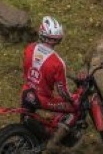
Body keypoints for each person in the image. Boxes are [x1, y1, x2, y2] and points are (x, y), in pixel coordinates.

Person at [22, 16, 79, 153]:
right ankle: (53, 143)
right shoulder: (57, 63)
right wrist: (72, 99)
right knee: (75, 108)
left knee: (25, 121)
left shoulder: (29, 48)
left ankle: (26, 137)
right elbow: (62, 91)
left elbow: (25, 68)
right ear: (58, 39)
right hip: (42, 99)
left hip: (26, 92)